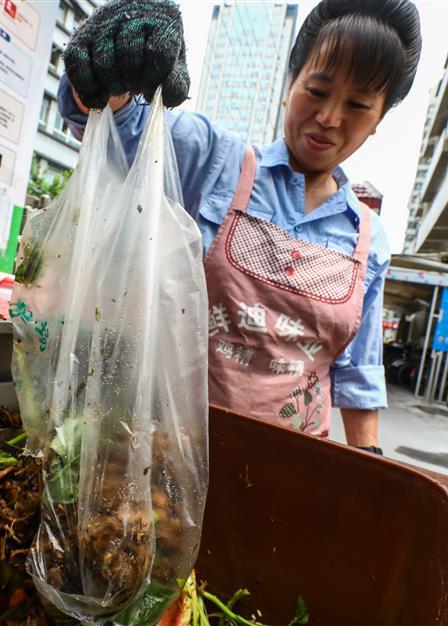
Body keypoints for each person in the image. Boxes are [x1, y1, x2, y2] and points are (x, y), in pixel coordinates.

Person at [57, 0, 422, 454]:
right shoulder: (212, 161)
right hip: (170, 455)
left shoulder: (370, 238)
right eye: (318, 90)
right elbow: (116, 122)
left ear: (379, 121)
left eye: (357, 105)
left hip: (294, 470)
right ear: (291, 83)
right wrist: (114, 63)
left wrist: (369, 465)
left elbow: (356, 370)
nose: (329, 118)